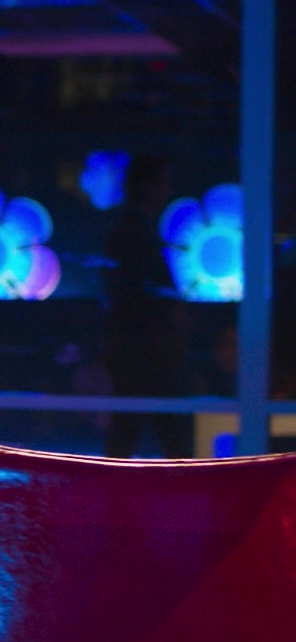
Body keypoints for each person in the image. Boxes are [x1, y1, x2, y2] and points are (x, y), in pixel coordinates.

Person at [103, 155, 191, 459]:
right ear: (148, 186)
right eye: (164, 183)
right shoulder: (134, 231)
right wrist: (170, 314)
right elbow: (137, 291)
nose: (169, 191)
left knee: (131, 432)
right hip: (144, 352)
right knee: (165, 434)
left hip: (143, 350)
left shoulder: (135, 229)